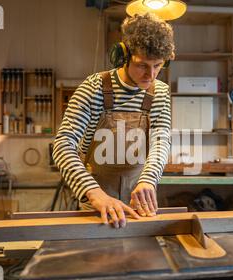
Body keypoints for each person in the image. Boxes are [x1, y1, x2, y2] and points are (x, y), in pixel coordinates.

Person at [53, 13, 174, 229]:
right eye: (142, 65)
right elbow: (63, 145)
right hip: (96, 204)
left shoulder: (160, 93)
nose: (151, 75)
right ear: (123, 55)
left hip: (140, 202)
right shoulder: (94, 88)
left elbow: (160, 141)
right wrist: (94, 193)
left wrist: (148, 180)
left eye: (158, 65)